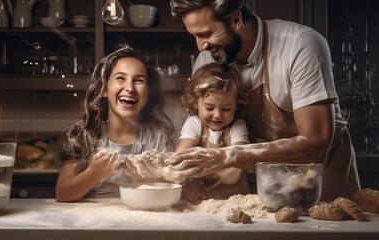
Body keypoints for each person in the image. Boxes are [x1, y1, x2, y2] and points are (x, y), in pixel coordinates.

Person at [163, 0, 360, 201]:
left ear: (236, 19)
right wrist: (185, 177)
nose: (201, 46)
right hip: (268, 185)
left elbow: (315, 145)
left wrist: (227, 156)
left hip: (323, 179)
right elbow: (200, 132)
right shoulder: (207, 60)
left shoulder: (300, 45)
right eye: (194, 36)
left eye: (206, 34)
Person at [55, 45, 175, 202]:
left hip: (143, 222)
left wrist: (154, 179)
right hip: (93, 222)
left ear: (147, 94)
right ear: (105, 89)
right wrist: (94, 173)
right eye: (120, 78)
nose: (130, 88)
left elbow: (172, 192)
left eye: (139, 80)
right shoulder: (86, 135)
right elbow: (62, 194)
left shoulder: (158, 140)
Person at [176, 62, 249, 202]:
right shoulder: (195, 123)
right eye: (209, 108)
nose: (217, 115)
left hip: (236, 200)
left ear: (236, 105)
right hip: (200, 200)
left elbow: (238, 155)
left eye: (226, 109)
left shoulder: (237, 126)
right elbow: (181, 155)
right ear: (196, 102)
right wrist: (188, 180)